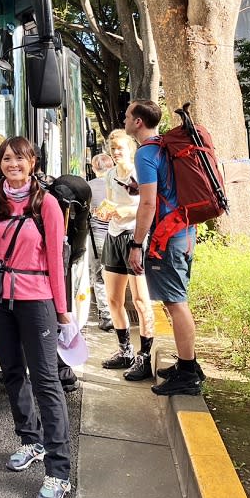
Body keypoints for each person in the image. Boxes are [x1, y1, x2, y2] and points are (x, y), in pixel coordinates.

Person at [0, 136, 73, 498]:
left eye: (19, 158)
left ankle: (59, 471)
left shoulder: (46, 203)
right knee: (12, 371)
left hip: (37, 299)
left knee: (46, 380)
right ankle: (30, 441)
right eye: (6, 159)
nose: (12, 164)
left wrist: (62, 311)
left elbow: (57, 262)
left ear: (32, 162)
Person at [124, 100, 203, 396]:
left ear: (139, 122)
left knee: (176, 302)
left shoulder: (146, 151)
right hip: (184, 231)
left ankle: (188, 373)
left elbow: (148, 203)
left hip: (168, 236)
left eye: (128, 115)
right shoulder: (164, 147)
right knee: (177, 299)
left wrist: (136, 244)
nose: (125, 118)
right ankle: (189, 366)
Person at [99, 130, 155, 381]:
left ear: (130, 149)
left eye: (120, 148)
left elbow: (148, 205)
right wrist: (107, 211)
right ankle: (125, 351)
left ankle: (145, 358)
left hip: (135, 238)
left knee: (142, 301)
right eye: (113, 148)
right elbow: (111, 203)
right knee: (113, 299)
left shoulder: (140, 172)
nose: (116, 152)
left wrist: (124, 211)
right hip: (113, 237)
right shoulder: (110, 174)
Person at [87, 152, 115, 331]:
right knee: (116, 276)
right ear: (111, 167)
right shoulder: (119, 186)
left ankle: (106, 316)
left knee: (98, 277)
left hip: (97, 237)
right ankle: (118, 312)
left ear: (93, 168)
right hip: (117, 236)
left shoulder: (87, 187)